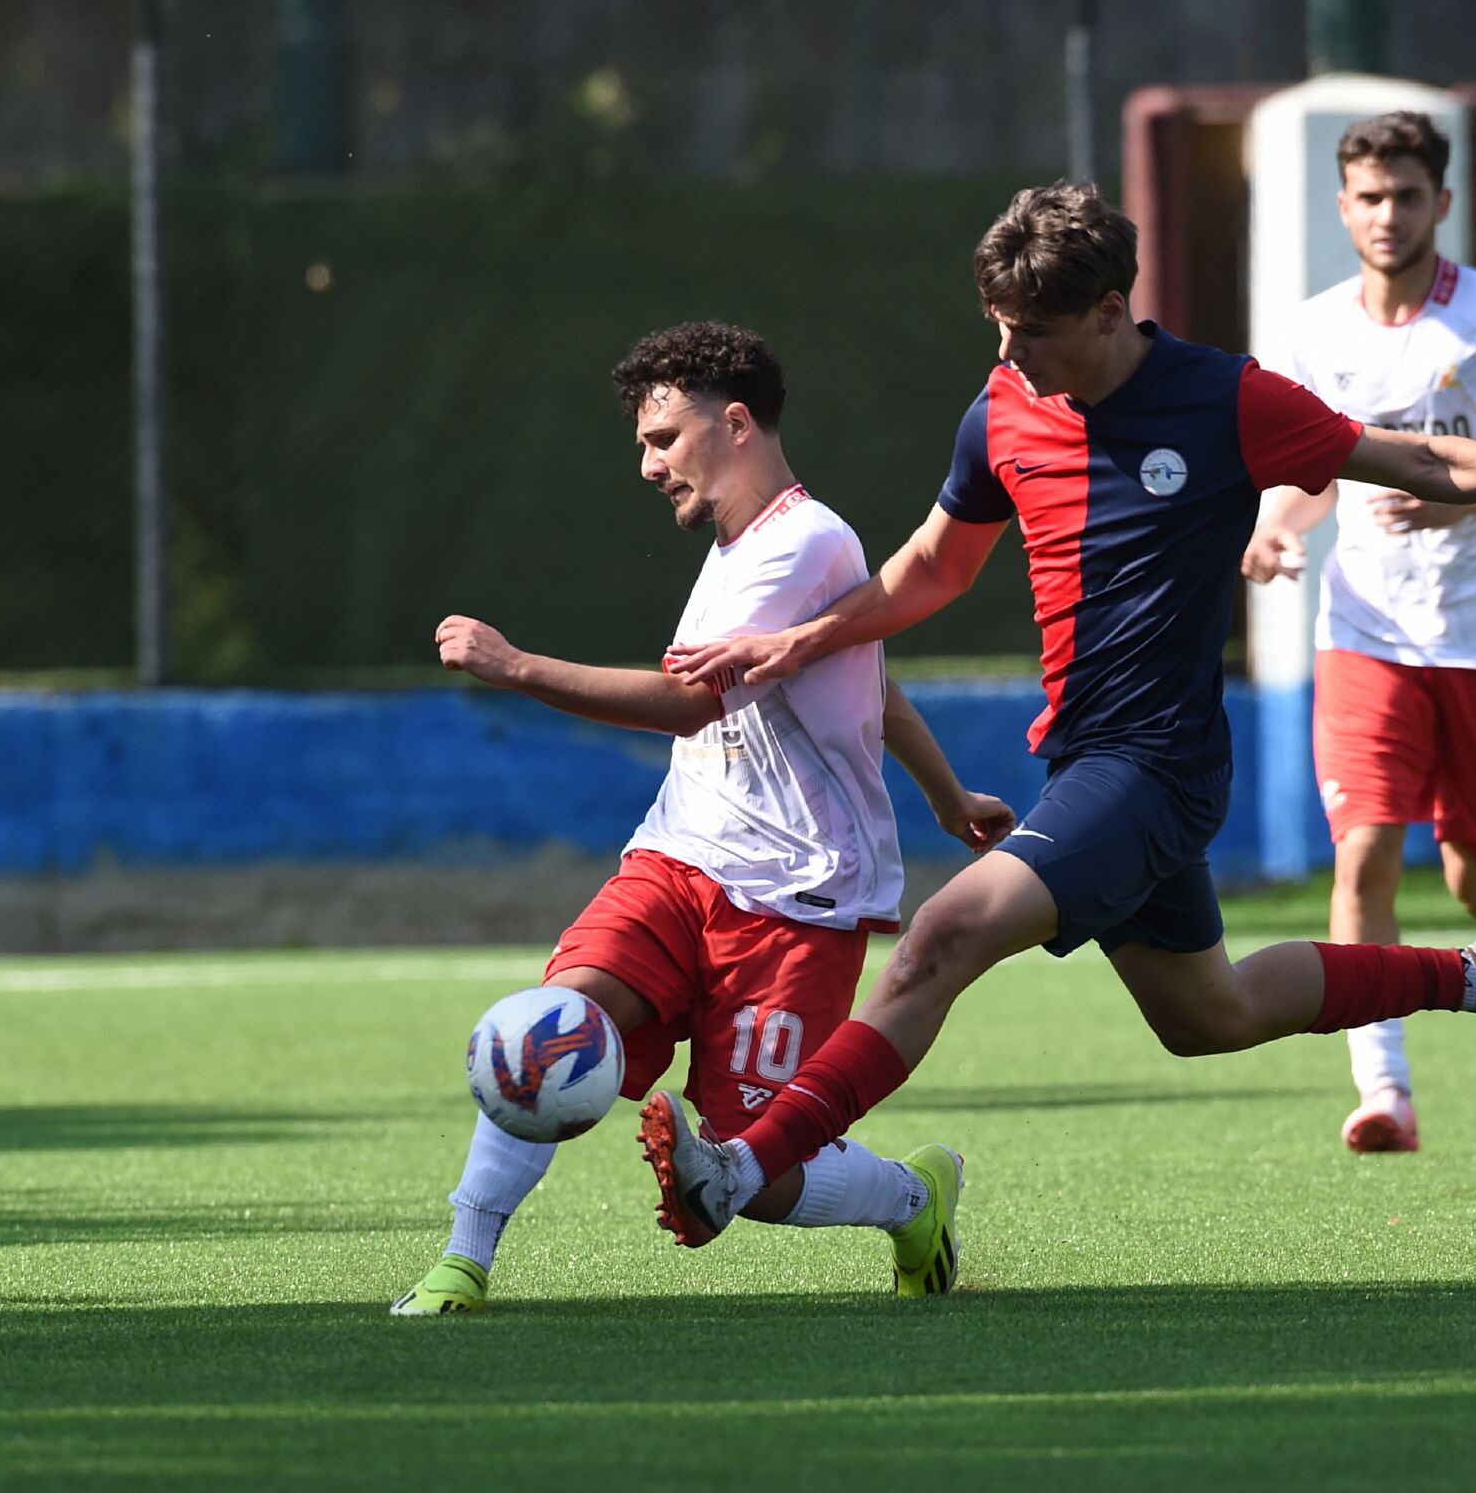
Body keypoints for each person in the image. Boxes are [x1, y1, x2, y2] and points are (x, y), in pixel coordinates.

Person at [646, 182, 1476, 1248]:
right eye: (998, 327)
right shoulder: (1003, 407)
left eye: (1033, 331)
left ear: (1110, 310)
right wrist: (800, 639)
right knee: (1209, 1015)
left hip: (1156, 764)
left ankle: (741, 1166)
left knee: (942, 939)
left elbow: (1419, 456)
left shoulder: (1224, 398)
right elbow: (934, 565)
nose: (1010, 352)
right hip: (1087, 759)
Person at [391, 321, 1015, 1314]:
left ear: (735, 424)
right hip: (678, 861)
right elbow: (867, 677)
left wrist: (514, 667)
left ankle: (911, 1196)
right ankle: (462, 1263)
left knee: (751, 1174)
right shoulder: (742, 547)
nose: (647, 465)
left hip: (796, 897)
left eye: (663, 438)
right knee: (549, 1026)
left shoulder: (806, 541)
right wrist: (946, 794)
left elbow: (690, 704)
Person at [1242, 111, 1476, 1154]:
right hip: (1366, 629)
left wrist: (1463, 498)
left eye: (1407, 195)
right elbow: (1309, 473)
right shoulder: (1312, 334)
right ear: (1342, 207)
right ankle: (1384, 1089)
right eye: (1369, 196)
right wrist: (1274, 527)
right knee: (1362, 852)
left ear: (1441, 203)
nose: (1388, 213)